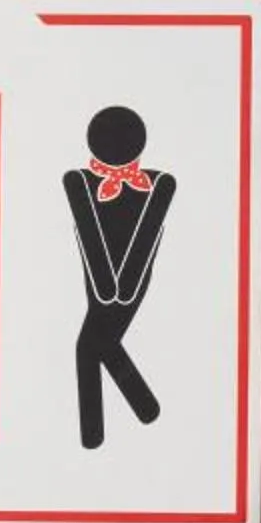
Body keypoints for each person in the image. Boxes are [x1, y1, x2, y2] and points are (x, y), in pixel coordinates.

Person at [63, 104, 176, 451]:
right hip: (99, 280)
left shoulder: (160, 183)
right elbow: (90, 235)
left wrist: (122, 289)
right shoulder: (79, 181)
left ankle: (93, 437)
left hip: (133, 279)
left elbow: (147, 236)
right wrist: (105, 288)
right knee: (98, 345)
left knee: (88, 347)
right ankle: (143, 409)